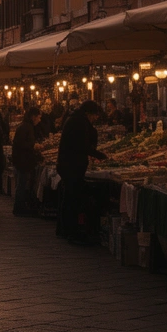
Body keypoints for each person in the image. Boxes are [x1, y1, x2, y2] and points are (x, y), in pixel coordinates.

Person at [56, 100, 107, 243]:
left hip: (68, 164)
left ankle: (64, 229)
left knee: (68, 198)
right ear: (89, 113)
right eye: (95, 115)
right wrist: (99, 154)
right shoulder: (79, 122)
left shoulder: (75, 119)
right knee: (72, 199)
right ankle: (71, 231)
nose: (95, 119)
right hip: (72, 166)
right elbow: (82, 145)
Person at [12, 106, 44, 216]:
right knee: (21, 183)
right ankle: (19, 208)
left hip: (23, 159)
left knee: (22, 183)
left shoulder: (26, 126)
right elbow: (20, 143)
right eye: (38, 117)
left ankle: (20, 206)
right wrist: (33, 146)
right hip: (22, 160)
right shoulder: (26, 127)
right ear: (33, 117)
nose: (39, 120)